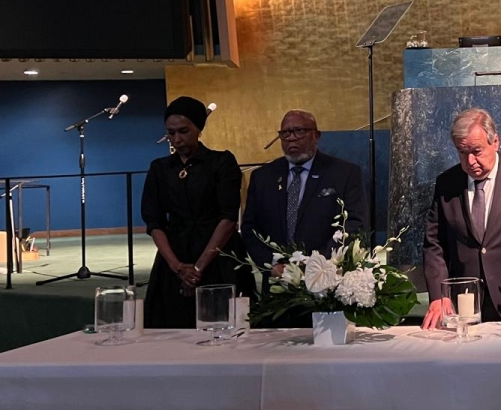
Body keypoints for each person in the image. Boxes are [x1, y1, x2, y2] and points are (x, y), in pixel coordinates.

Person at [422, 108, 501, 328]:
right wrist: (438, 294)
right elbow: (434, 243)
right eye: (462, 152)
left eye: (477, 151)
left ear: (496, 142)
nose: (470, 161)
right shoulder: (447, 183)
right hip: (463, 305)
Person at [141, 96, 244, 328]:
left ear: (199, 129)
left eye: (183, 131)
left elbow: (228, 218)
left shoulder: (222, 162)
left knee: (222, 324)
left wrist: (198, 269)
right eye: (171, 133)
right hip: (174, 259)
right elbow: (153, 221)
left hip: (218, 257)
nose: (177, 139)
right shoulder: (159, 168)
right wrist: (178, 267)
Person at [242, 110, 369, 275]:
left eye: (300, 131)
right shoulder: (262, 177)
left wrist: (316, 264)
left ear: (316, 135)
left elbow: (355, 223)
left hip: (327, 278)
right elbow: (250, 228)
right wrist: (272, 264)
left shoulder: (344, 173)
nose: (292, 138)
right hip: (277, 282)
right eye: (285, 133)